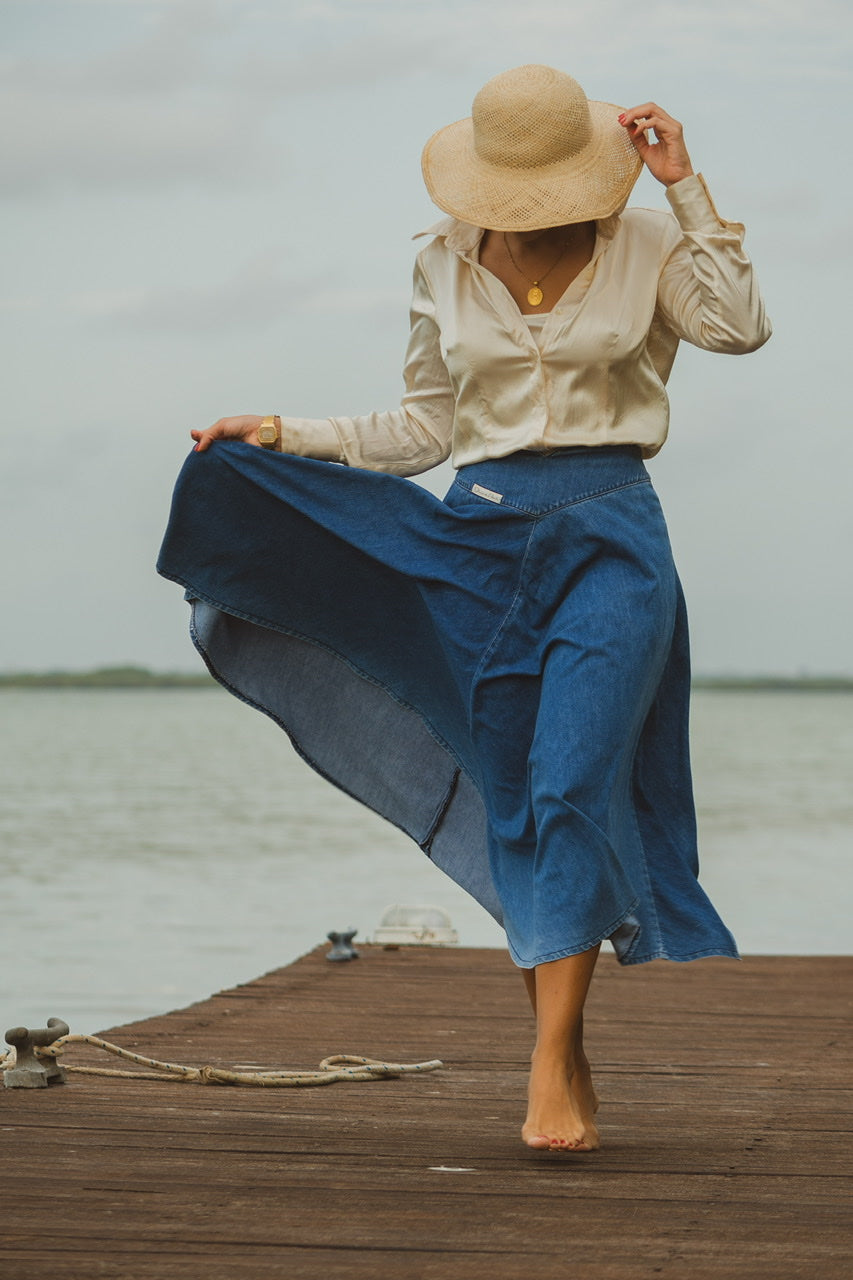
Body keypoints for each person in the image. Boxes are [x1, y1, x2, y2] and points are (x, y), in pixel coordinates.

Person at [158, 65, 770, 1154]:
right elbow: (423, 428)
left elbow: (739, 327)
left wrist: (685, 188)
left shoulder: (645, 243)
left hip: (613, 531)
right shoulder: (440, 262)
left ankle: (547, 1054)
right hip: (481, 533)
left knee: (574, 775)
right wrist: (284, 432)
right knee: (520, 790)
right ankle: (562, 1037)